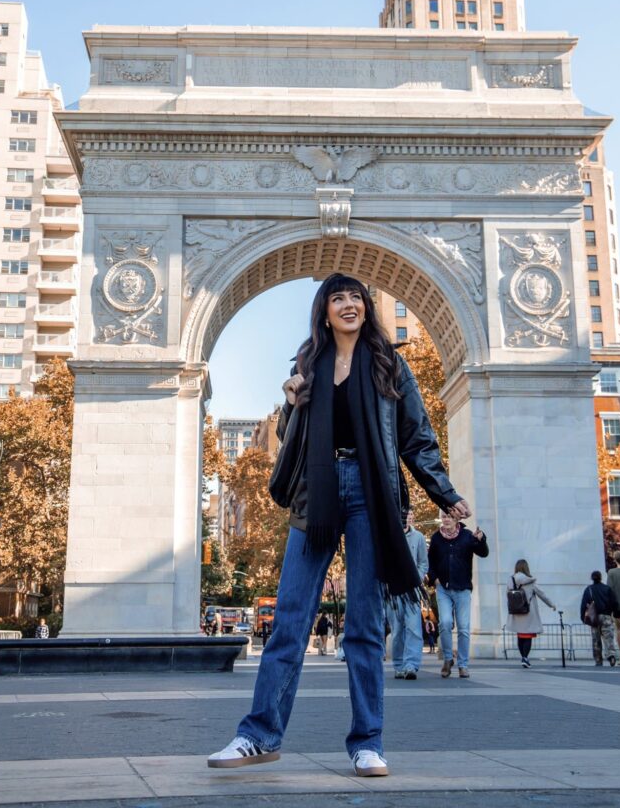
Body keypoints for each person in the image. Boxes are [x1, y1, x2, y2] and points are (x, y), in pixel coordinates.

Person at [208, 273, 470, 777]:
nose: (348, 305)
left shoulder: (392, 364)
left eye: (356, 297)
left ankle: (367, 742)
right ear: (324, 310)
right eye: (338, 298)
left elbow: (417, 438)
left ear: (367, 307)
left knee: (366, 628)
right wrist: (290, 400)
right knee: (288, 619)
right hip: (318, 494)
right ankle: (258, 735)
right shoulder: (307, 363)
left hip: (372, 497)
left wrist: (445, 493)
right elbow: (292, 434)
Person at [428, 509, 488, 679]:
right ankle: (448, 659)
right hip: (443, 588)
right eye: (444, 517)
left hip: (462, 588)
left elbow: (483, 553)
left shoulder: (467, 536)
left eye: (450, 517)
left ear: (457, 519)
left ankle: (463, 664)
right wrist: (434, 579)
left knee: (463, 628)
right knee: (445, 623)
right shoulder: (436, 538)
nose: (446, 520)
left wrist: (481, 539)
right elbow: (430, 562)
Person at [387, 508, 428, 680]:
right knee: (397, 631)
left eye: (410, 516)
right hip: (394, 590)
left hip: (412, 590)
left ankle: (411, 665)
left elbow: (423, 563)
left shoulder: (418, 537)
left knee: (414, 629)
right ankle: (398, 665)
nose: (407, 519)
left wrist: (415, 579)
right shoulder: (389, 536)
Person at [506, 560, 556, 668]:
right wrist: (551, 604)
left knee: (520, 635)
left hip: (516, 612)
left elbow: (508, 595)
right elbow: (542, 594)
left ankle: (523, 657)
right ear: (526, 568)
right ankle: (525, 657)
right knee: (528, 635)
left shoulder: (511, 580)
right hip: (528, 612)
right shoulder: (530, 581)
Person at [580, 570, 618, 667]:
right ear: (601, 577)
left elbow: (584, 605)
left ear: (592, 578)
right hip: (606, 616)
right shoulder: (607, 589)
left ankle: (598, 660)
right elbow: (614, 603)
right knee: (608, 637)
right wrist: (612, 612)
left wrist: (582, 617)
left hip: (594, 617)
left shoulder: (589, 589)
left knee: (596, 639)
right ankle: (611, 655)